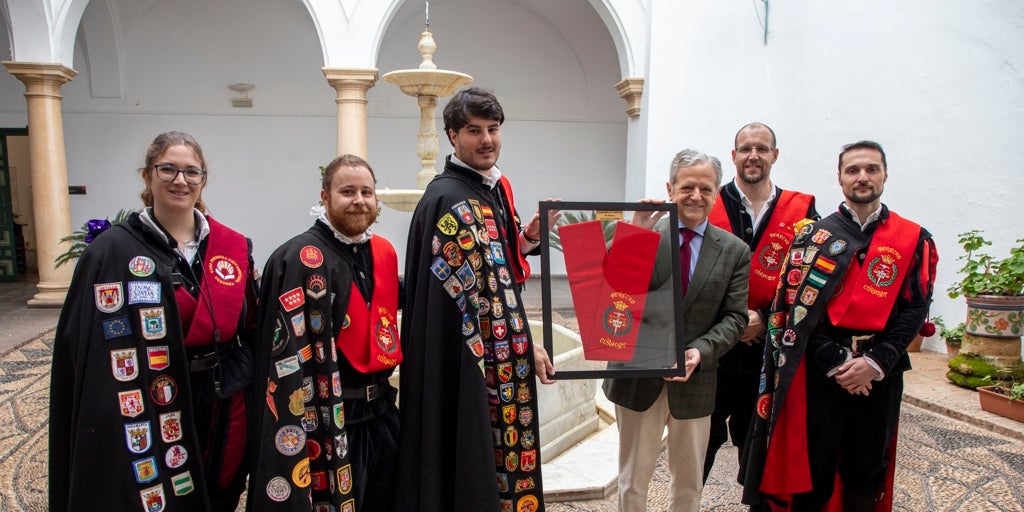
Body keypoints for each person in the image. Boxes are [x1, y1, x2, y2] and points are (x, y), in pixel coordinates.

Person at [49, 131, 257, 511]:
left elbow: (251, 324)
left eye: (192, 172)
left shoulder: (233, 246)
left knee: (222, 487)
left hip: (223, 397)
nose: (181, 180)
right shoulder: (111, 251)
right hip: (152, 398)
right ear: (146, 176)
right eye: (168, 169)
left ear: (203, 179)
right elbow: (83, 344)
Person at [741, 141, 938, 510]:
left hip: (881, 374)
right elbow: (795, 311)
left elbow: (914, 309)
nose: (862, 177)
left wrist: (875, 363)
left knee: (866, 468)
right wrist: (836, 361)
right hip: (822, 374)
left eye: (871, 169)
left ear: (885, 175)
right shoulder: (812, 238)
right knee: (815, 467)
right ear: (840, 178)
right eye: (853, 170)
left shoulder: (914, 239)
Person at [395, 87, 554, 512]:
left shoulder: (491, 189)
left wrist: (525, 344)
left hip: (499, 355)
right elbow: (453, 307)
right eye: (473, 130)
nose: (487, 139)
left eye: (493, 129)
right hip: (471, 365)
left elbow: (499, 280)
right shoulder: (449, 198)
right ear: (452, 135)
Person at [247, 154, 402, 512]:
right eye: (347, 191)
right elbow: (279, 358)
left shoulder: (383, 253)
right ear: (325, 197)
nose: (359, 200)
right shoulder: (298, 257)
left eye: (367, 191)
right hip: (329, 421)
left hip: (382, 412)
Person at [602, 149, 750, 511]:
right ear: (670, 188)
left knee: (688, 484)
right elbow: (610, 286)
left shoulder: (734, 251)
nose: (696, 196)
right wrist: (634, 232)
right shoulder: (643, 234)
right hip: (639, 377)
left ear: (716, 193)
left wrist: (700, 351)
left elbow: (735, 317)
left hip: (696, 381)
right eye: (687, 187)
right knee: (632, 481)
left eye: (706, 188)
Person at [704, 122, 818, 481]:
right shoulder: (707, 202)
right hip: (713, 347)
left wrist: (764, 318)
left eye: (762, 148)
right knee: (698, 444)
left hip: (768, 351)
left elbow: (810, 279)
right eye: (746, 148)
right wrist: (732, 323)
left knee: (758, 447)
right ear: (733, 155)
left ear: (775, 155)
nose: (754, 155)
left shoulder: (801, 210)